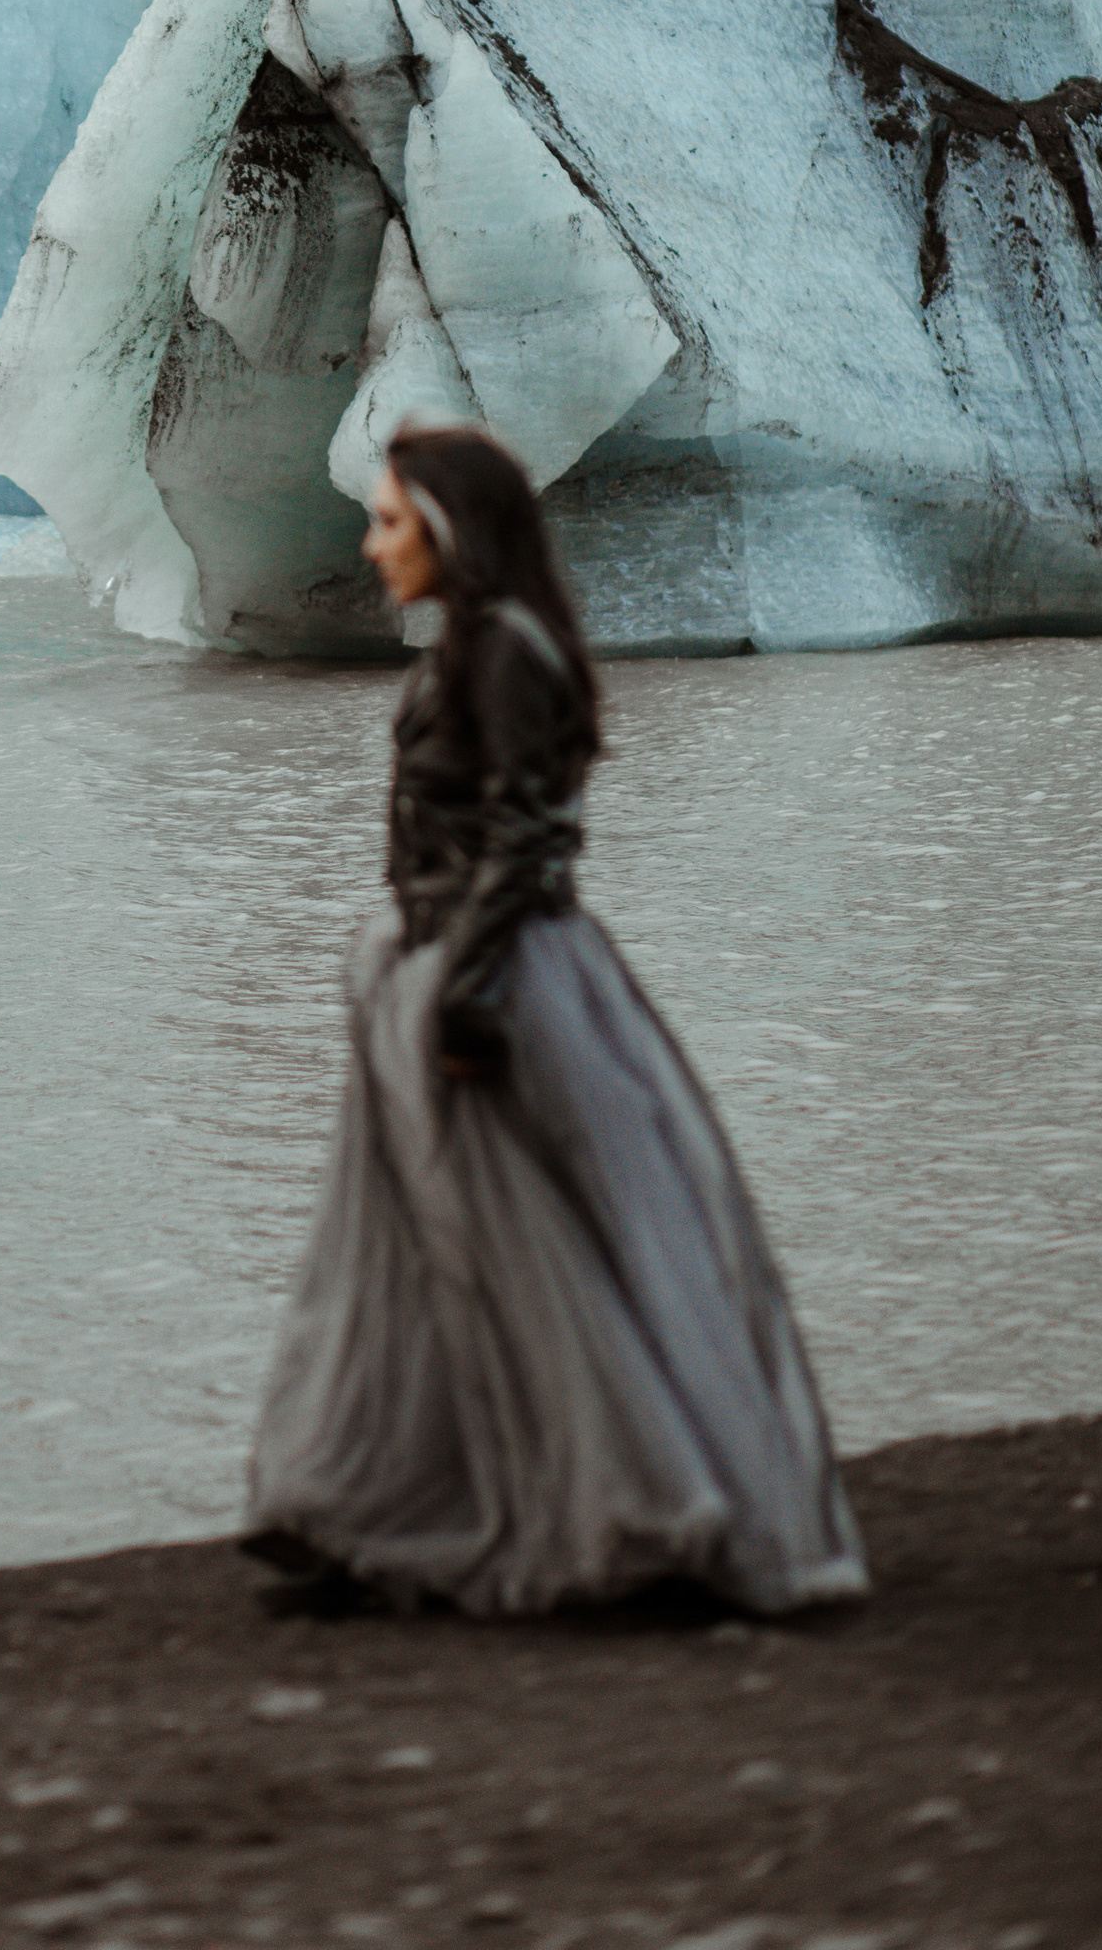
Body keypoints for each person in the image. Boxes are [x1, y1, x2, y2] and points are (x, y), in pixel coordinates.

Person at [242, 419, 867, 1616]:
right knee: (427, 1250)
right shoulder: (471, 645)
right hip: (444, 960)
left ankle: (634, 1511)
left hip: (497, 975)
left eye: (387, 522)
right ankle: (378, 1503)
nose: (371, 546)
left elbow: (529, 835)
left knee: (527, 1249)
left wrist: (462, 993)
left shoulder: (506, 650)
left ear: (447, 529)